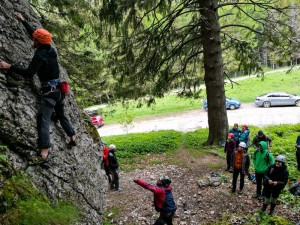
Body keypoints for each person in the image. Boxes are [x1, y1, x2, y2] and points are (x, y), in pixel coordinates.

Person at [0, 12, 76, 161]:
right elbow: (36, 36)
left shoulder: (39, 55)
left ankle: (44, 152)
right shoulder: (50, 49)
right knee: (61, 114)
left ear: (38, 42)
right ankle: (72, 136)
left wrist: (9, 66)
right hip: (60, 90)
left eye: (35, 39)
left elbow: (29, 73)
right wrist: (23, 21)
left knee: (43, 118)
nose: (32, 39)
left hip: (51, 93)